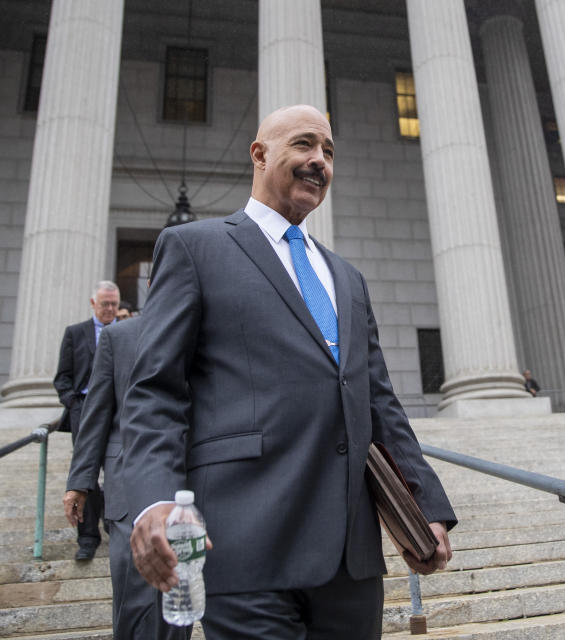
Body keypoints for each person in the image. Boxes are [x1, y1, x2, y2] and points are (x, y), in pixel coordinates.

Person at [121, 104, 457, 638]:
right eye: (304, 145)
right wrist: (154, 498)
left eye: (328, 151)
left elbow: (378, 401)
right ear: (259, 154)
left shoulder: (347, 278)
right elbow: (156, 392)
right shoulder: (194, 248)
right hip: (245, 543)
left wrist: (424, 503)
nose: (319, 160)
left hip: (351, 558)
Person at [63, 316, 189, 640]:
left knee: (178, 599)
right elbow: (97, 410)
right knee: (132, 593)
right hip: (126, 483)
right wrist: (80, 481)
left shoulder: (200, 328)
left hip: (188, 482)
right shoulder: (117, 337)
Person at [54, 280, 120, 560]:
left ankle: (114, 522)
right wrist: (72, 402)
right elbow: (62, 376)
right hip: (84, 408)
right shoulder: (75, 333)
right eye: (105, 304)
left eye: (114, 304)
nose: (110, 309)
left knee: (118, 464)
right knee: (85, 473)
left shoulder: (125, 331)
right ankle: (88, 538)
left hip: (119, 410)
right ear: (93, 303)